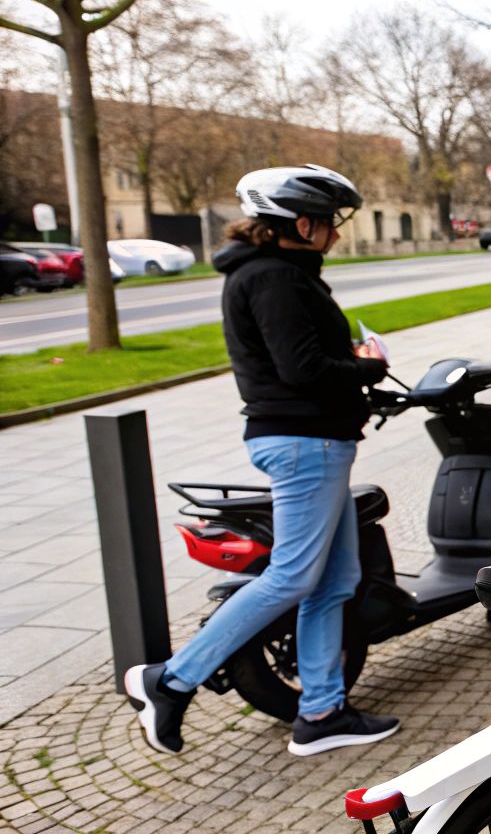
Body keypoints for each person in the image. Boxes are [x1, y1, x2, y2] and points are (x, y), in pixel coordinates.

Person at [123, 164, 401, 757]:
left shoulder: (278, 273)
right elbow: (303, 370)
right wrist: (368, 367)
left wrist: (354, 375)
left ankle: (321, 713)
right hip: (306, 444)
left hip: (314, 439)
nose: (334, 234)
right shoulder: (275, 278)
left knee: (334, 582)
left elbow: (297, 361)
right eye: (328, 223)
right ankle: (169, 681)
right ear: (300, 223)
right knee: (294, 577)